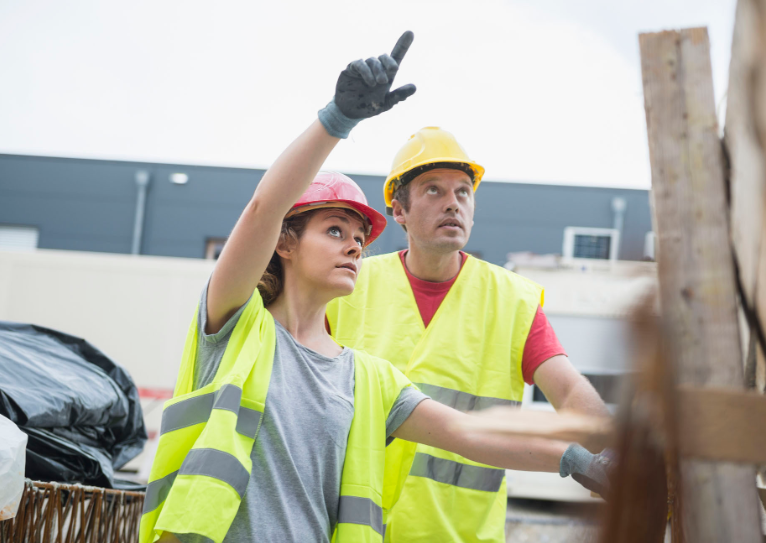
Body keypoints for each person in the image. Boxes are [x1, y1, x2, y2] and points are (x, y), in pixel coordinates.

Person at [139, 32, 591, 543]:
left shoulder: (368, 379)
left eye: (359, 237)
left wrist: (574, 458)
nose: (355, 246)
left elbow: (468, 434)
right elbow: (263, 208)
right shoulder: (236, 328)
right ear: (285, 241)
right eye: (335, 230)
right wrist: (338, 120)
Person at [326, 126, 614, 541]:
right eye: (433, 191)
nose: (452, 204)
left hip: (461, 534)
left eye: (463, 192)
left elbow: (568, 393)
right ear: (399, 211)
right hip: (355, 529)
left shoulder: (511, 301)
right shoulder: (347, 287)